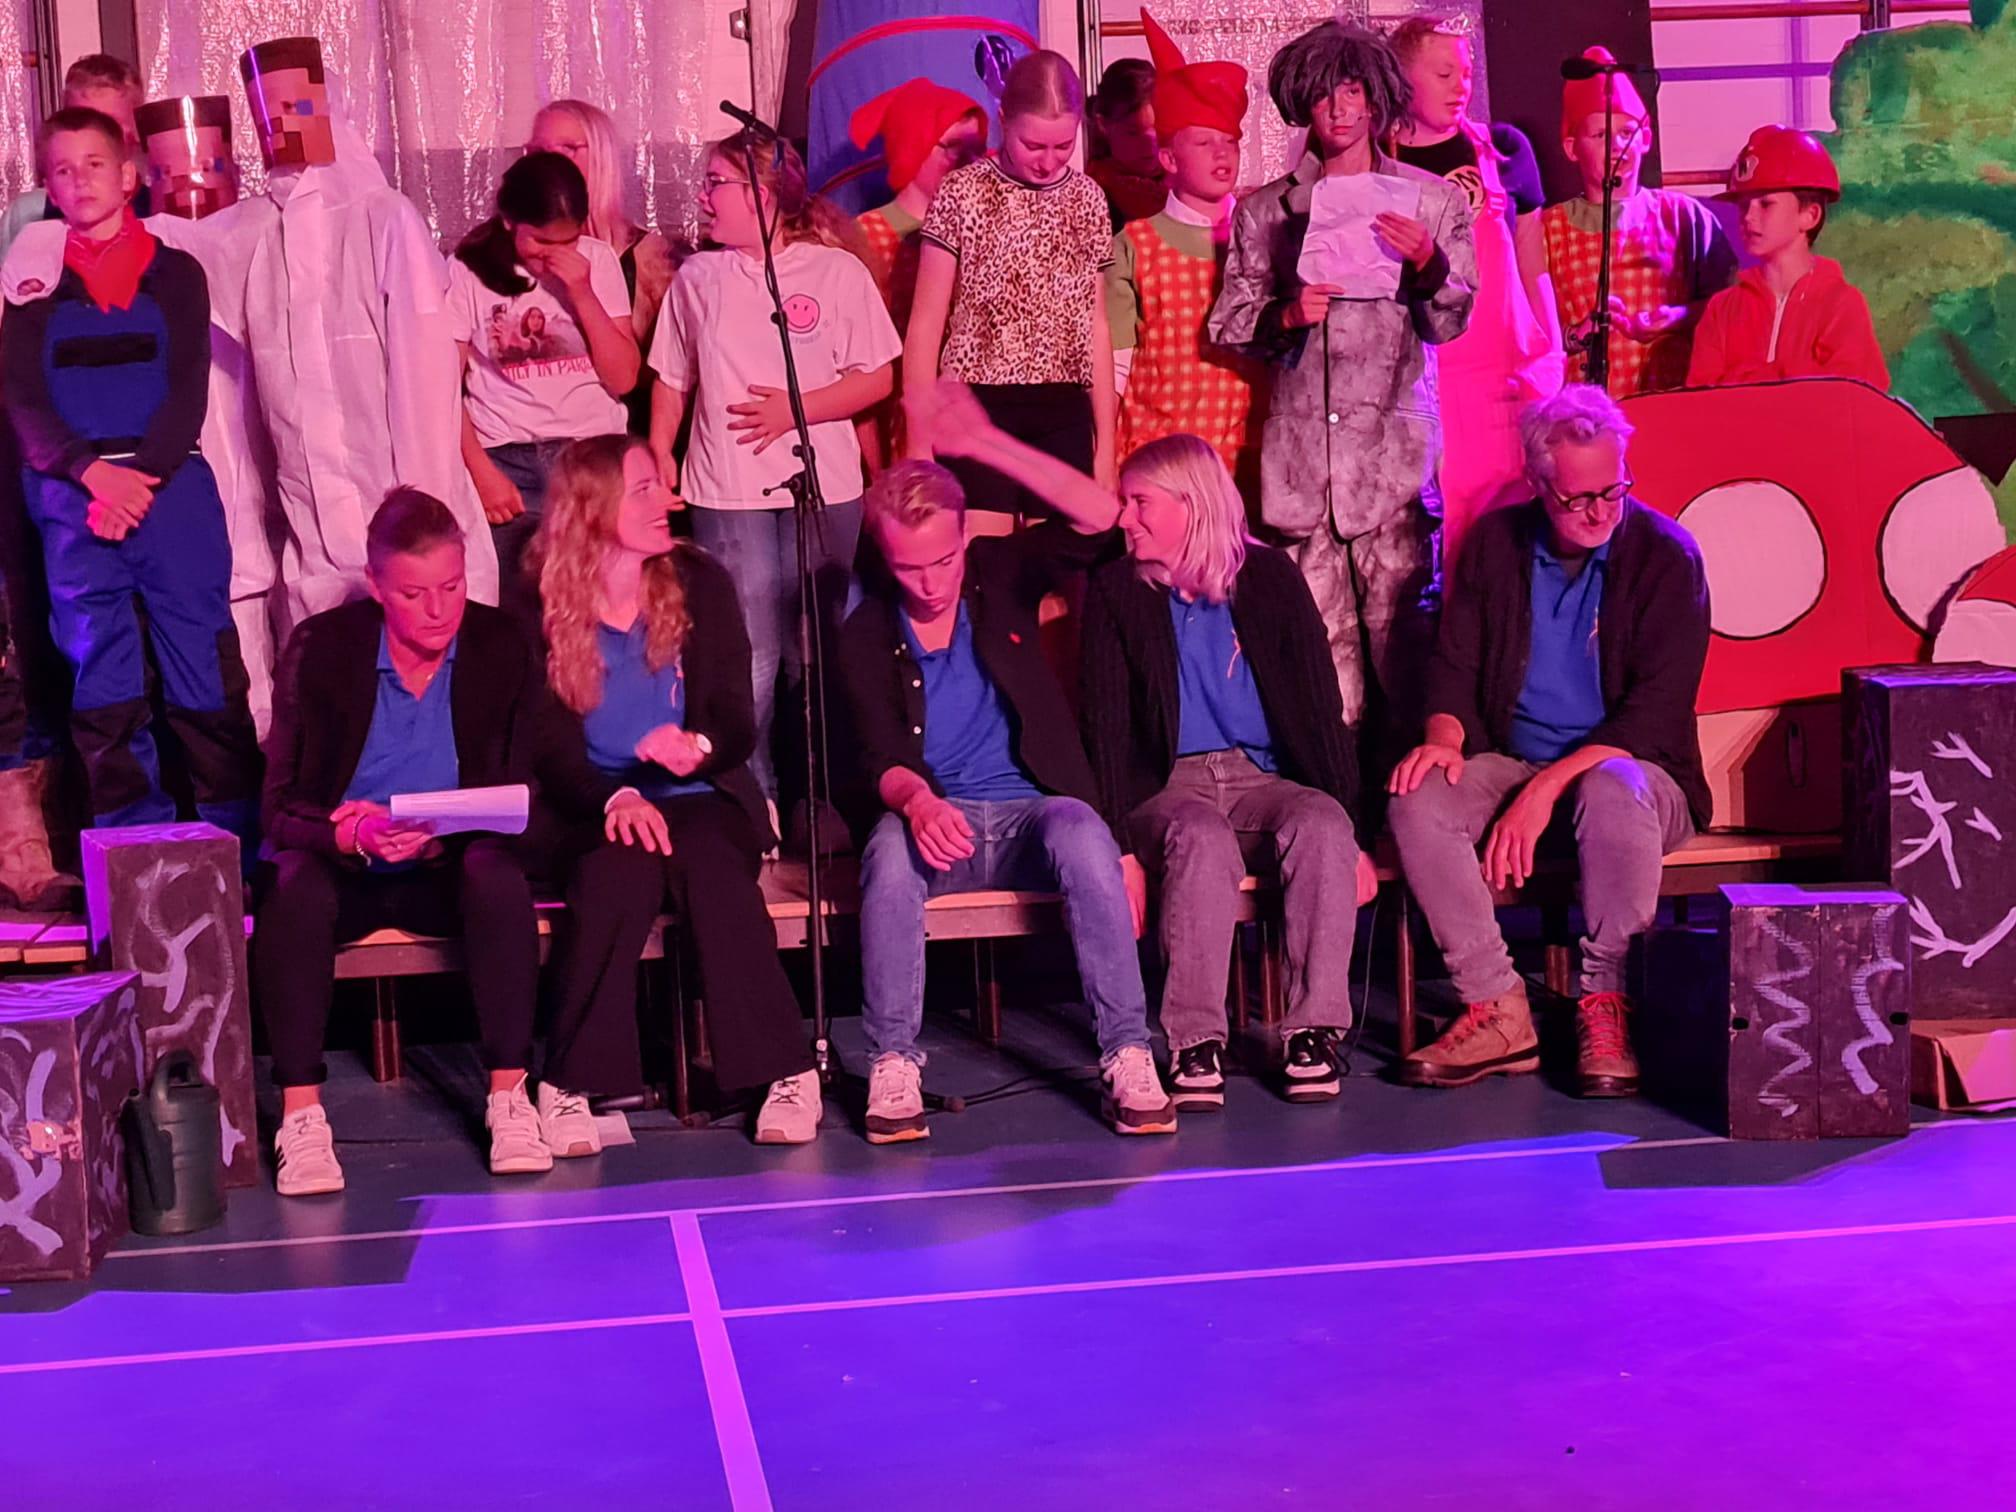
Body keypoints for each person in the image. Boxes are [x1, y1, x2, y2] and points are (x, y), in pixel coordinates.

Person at [940, 390, 1377, 1107]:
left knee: (1323, 824)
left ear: (1191, 506)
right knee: (1200, 836)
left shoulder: (1270, 579)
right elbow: (1106, 729)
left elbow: (1318, 710)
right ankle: (1196, 1041)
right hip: (1167, 786)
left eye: (1142, 503)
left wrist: (1352, 828)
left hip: (1260, 779)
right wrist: (1117, 847)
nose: (1128, 517)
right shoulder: (1121, 588)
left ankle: (1311, 1032)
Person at [841, 382, 1176, 1143]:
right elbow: (873, 755)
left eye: (943, 559)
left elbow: (1100, 522)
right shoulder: (866, 631)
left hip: (1030, 813)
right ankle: (893, 1062)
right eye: (910, 568)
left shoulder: (997, 574)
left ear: (965, 536)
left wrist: (986, 444)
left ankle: (1128, 1053)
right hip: (937, 825)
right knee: (887, 854)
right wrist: (918, 803)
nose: (932, 584)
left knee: (1083, 829)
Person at [254, 490, 592, 1195]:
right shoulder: (321, 648)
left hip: (449, 862)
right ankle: (302, 1115)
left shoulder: (500, 644)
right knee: (290, 886)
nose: (439, 610)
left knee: (495, 877)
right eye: (414, 594)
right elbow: (279, 809)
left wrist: (441, 836)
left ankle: (509, 1097)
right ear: (377, 587)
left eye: (452, 587)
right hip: (349, 865)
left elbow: (524, 791)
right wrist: (350, 832)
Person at [1387, 386, 1711, 1099]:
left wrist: (1544, 790)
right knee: (1418, 796)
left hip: (1634, 776)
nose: (1599, 511)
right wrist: (1443, 739)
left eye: (1613, 490)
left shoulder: (1667, 557)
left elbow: (1652, 719)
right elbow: (1454, 669)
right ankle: (1496, 1007)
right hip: (1514, 761)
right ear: (1538, 484)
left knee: (1614, 787)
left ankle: (1608, 1005)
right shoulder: (1496, 546)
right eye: (1578, 499)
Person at [530, 435, 823, 1143]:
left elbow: (734, 718)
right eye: (644, 490)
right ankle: (571, 1083)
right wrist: (613, 798)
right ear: (593, 507)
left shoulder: (697, 580)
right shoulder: (535, 601)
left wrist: (698, 747)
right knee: (612, 877)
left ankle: (786, 1073)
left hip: (698, 798)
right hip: (593, 804)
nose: (667, 500)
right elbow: (544, 747)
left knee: (717, 874)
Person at [1207, 21, 1475, 742]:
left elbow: (1452, 322)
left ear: (1376, 96)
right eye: (1324, 95)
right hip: (1304, 480)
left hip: (1394, 472)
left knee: (1408, 659)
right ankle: (1334, 801)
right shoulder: (1266, 210)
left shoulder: (1431, 202)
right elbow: (1229, 322)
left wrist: (1427, 265)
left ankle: (1414, 797)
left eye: (1352, 91)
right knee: (1321, 678)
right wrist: (1286, 314)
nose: (1339, 109)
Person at [0, 108, 261, 845]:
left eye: (94, 164)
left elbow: (186, 392)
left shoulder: (177, 273)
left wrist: (136, 480)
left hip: (167, 491)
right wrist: (90, 474)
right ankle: (131, 856)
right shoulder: (30, 284)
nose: (80, 180)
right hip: (74, 501)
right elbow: (22, 397)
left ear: (127, 176)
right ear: (48, 187)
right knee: (103, 682)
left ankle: (233, 850)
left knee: (203, 670)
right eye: (63, 170)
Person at [649, 129, 896, 811]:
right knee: (749, 652)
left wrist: (794, 409)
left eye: (716, 184)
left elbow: (876, 378)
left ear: (760, 194)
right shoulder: (698, 280)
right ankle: (751, 803)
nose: (703, 198)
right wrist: (661, 449)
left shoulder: (834, 272)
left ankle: (818, 800)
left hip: (824, 487)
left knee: (813, 649)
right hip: (728, 492)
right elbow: (671, 377)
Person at [210, 36, 497, 625]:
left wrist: (425, 510)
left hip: (394, 503)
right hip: (313, 536)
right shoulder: (260, 232)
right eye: (266, 112)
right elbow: (179, 245)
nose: (279, 126)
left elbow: (424, 377)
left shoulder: (383, 218)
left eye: (294, 107)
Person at [131, 94, 287, 741]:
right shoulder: (143, 255)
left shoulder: (269, 235)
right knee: (236, 693)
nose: (191, 188)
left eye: (207, 168)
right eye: (171, 174)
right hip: (212, 523)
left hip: (293, 510)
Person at [906, 50, 1120, 519]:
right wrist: (918, 439)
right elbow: (926, 324)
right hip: (975, 404)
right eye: (1033, 145)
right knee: (986, 553)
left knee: (1057, 557)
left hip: (1061, 406)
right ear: (1003, 120)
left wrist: (1106, 447)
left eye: (1063, 146)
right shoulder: (962, 192)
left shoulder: (1087, 199)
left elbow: (1096, 326)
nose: (1048, 162)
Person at [1390, 15, 1563, 560]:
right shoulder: (1380, 165)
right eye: (1444, 75)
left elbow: (1531, 254)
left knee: (1514, 524)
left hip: (1506, 376)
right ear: (1402, 79)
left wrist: (1553, 348)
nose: (1460, 87)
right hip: (1428, 381)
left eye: (1465, 73)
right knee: (1446, 535)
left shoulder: (1504, 150)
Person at [449, 151, 639, 612]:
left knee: (601, 607)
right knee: (521, 613)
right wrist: (481, 472)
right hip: (508, 461)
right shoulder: (466, 270)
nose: (554, 254)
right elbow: (443, 388)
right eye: (541, 242)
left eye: (567, 241)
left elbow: (624, 377)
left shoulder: (596, 261)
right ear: (510, 221)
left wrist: (582, 292)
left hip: (590, 457)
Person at [1106, 11, 1267, 495]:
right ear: (1169, 158)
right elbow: (1115, 367)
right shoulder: (1135, 244)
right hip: (1158, 462)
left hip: (1242, 460)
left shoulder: (1263, 237)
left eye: (1230, 142)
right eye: (1204, 142)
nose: (1222, 154)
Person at [1541, 47, 1736, 398]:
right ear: (1572, 147)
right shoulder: (1548, 230)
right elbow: (1529, 331)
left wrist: (1678, 317)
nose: (1617, 146)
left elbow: (1732, 304)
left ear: (1645, 139)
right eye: (1600, 136)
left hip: (1668, 403)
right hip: (1583, 414)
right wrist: (1575, 336)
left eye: (1627, 133)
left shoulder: (1682, 217)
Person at [849, 77, 989, 471]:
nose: (969, 162)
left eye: (977, 149)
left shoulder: (987, 228)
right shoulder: (867, 236)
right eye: (954, 148)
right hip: (898, 418)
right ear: (914, 147)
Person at [1686, 125, 1888, 391]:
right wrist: (1797, 375)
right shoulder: (1721, 310)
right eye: (1743, 205)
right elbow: (1700, 399)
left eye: (1765, 204)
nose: (1748, 217)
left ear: (1810, 216)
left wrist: (1741, 379)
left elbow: (1852, 395)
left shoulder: (1841, 304)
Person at [525, 100, 679, 438]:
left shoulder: (649, 260)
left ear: (601, 157)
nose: (550, 162)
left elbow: (671, 373)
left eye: (568, 148)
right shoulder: (505, 255)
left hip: (622, 440)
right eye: (539, 150)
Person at [0, 54, 150, 254]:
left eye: (108, 125)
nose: (91, 139)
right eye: (79, 123)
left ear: (137, 130)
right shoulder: (28, 214)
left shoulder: (158, 209)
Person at [1087, 56, 1166, 228]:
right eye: (1133, 133)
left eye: (1158, 128)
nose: (1150, 143)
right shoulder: (1093, 197)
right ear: (1103, 125)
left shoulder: (1184, 183)